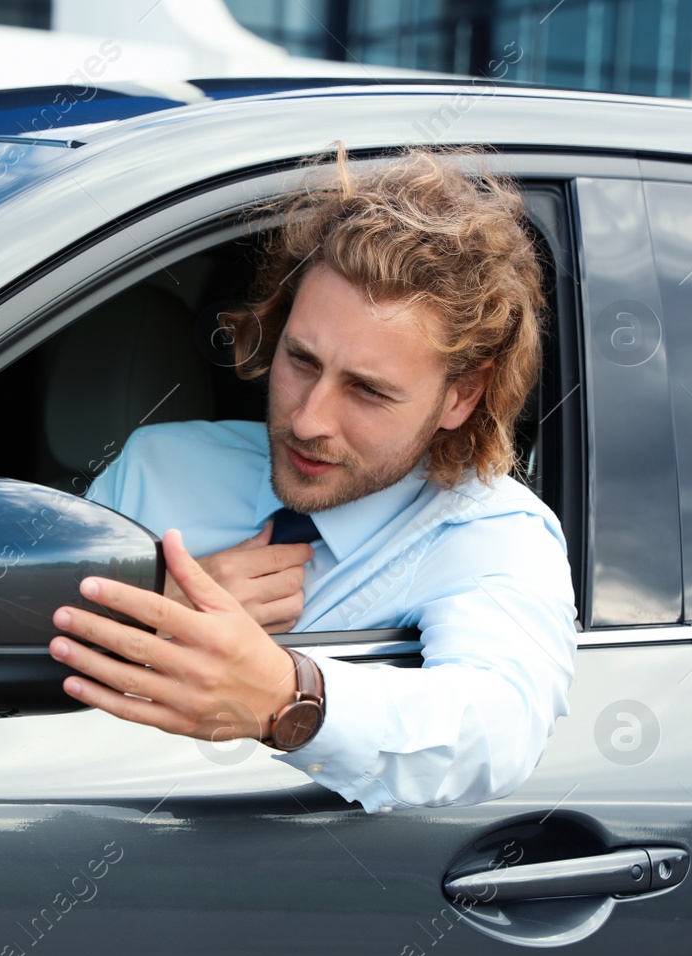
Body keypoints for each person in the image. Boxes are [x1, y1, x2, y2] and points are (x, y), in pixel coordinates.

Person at [47, 143, 577, 812]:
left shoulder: (491, 531)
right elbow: (14, 662)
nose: (307, 419)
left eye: (368, 390)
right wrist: (146, 604)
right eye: (301, 360)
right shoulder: (160, 467)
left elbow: (493, 729)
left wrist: (284, 694)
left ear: (461, 397)